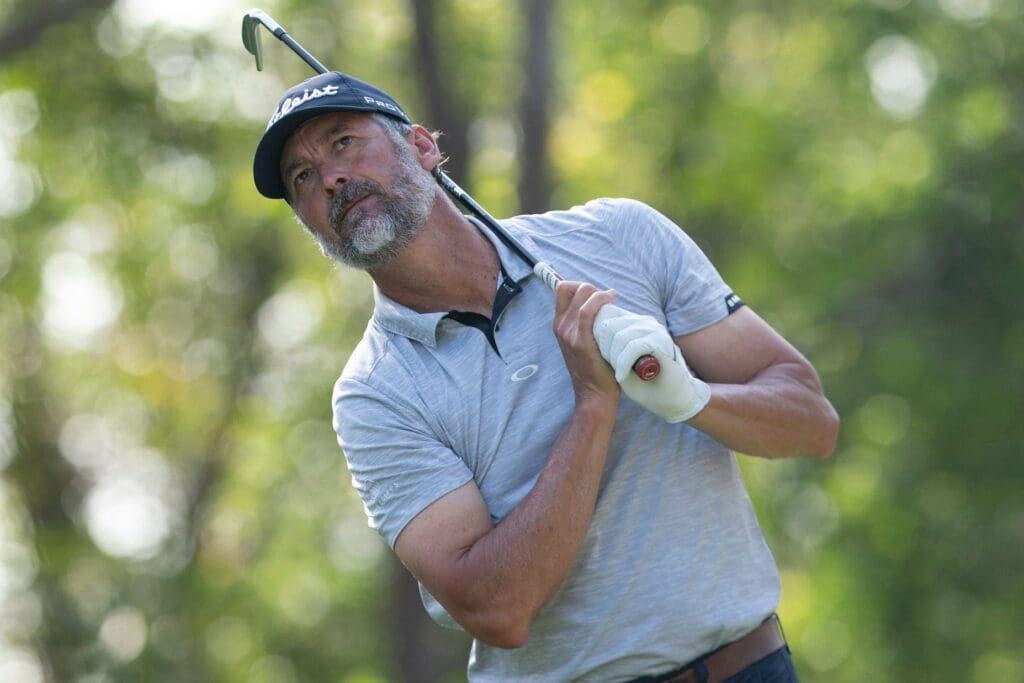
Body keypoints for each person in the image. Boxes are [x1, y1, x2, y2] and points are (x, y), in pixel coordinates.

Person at [251, 71, 839, 682]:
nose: (331, 178)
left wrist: (692, 399)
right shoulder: (374, 394)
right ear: (315, 227)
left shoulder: (619, 236)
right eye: (302, 178)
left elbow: (812, 423)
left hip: (751, 667)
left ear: (423, 148)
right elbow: (497, 609)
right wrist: (592, 406)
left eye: (343, 141)